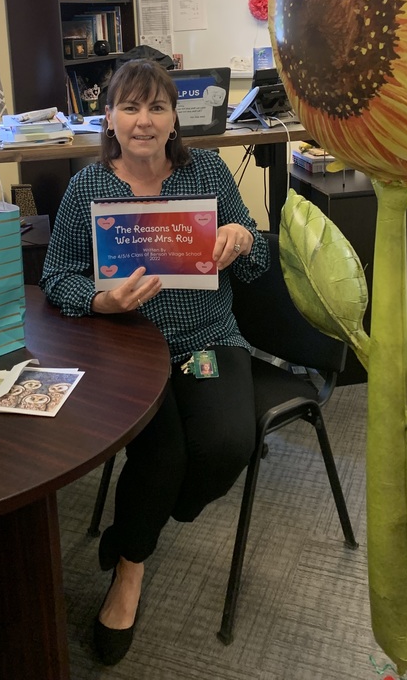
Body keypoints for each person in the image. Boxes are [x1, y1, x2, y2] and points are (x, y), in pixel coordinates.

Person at [40, 58, 269, 665]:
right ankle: (130, 566)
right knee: (162, 454)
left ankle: (140, 524)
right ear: (109, 119)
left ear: (174, 121)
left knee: (227, 446)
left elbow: (256, 263)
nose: (143, 121)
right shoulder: (87, 189)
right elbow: (56, 276)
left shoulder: (208, 173)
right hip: (127, 348)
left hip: (206, 339)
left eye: (157, 108)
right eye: (130, 107)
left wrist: (243, 239)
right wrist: (101, 300)